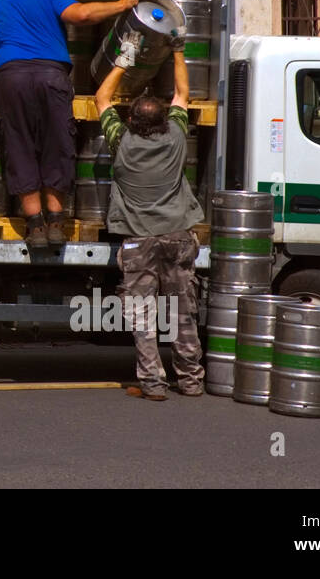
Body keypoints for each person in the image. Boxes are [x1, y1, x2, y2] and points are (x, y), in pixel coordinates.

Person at [0, 0, 137, 247]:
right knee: (57, 141)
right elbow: (82, 14)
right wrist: (121, 4)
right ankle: (55, 222)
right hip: (49, 75)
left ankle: (35, 227)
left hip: (10, 77)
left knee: (18, 144)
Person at [95, 34, 205, 401]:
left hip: (138, 241)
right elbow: (182, 94)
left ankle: (153, 383)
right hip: (177, 237)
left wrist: (125, 57)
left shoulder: (120, 142)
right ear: (162, 118)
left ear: (130, 120)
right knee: (183, 312)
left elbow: (102, 98)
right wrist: (177, 51)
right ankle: (190, 381)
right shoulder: (175, 135)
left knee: (142, 315)